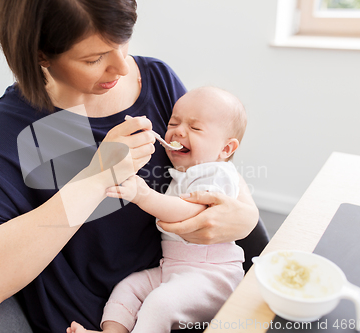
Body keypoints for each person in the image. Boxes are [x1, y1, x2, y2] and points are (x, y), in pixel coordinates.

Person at [0, 1, 259, 332]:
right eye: (94, 58)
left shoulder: (157, 80)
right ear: (41, 54)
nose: (123, 67)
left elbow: (215, 165)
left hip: (182, 299)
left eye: (123, 41)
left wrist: (247, 217)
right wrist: (97, 176)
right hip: (85, 320)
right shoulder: (7, 128)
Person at [67, 87, 247, 333]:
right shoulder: (182, 173)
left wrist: (144, 195)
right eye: (173, 123)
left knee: (159, 303)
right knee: (127, 288)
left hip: (213, 276)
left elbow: (192, 214)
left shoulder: (217, 174)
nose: (178, 131)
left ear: (226, 149)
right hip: (173, 267)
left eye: (195, 128)